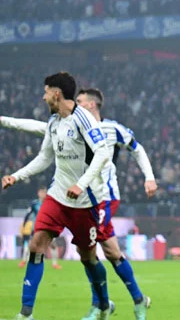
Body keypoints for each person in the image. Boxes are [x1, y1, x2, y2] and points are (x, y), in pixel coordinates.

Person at [4, 88, 157, 319]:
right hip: (78, 197)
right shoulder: (68, 124)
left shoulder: (111, 129)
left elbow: (138, 148)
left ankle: (102, 304)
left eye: (79, 101)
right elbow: (36, 126)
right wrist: (4, 121)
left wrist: (149, 177)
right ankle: (134, 299)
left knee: (92, 252)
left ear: (91, 105)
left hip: (104, 198)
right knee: (108, 252)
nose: (73, 103)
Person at [2, 72, 114, 320]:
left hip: (85, 201)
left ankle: (104, 304)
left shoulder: (83, 119)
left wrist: (81, 185)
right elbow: (44, 158)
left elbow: (102, 153)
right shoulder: (54, 122)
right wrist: (16, 176)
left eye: (45, 92)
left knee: (88, 258)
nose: (43, 98)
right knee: (36, 245)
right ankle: (26, 313)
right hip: (57, 195)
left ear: (57, 93)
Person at [17, 187, 61, 270]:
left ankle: (55, 264)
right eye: (41, 192)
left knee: (53, 245)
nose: (43, 194)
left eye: (44, 192)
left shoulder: (50, 203)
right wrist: (24, 225)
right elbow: (27, 215)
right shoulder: (34, 204)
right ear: (38, 193)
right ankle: (24, 260)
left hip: (48, 228)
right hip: (36, 228)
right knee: (31, 245)